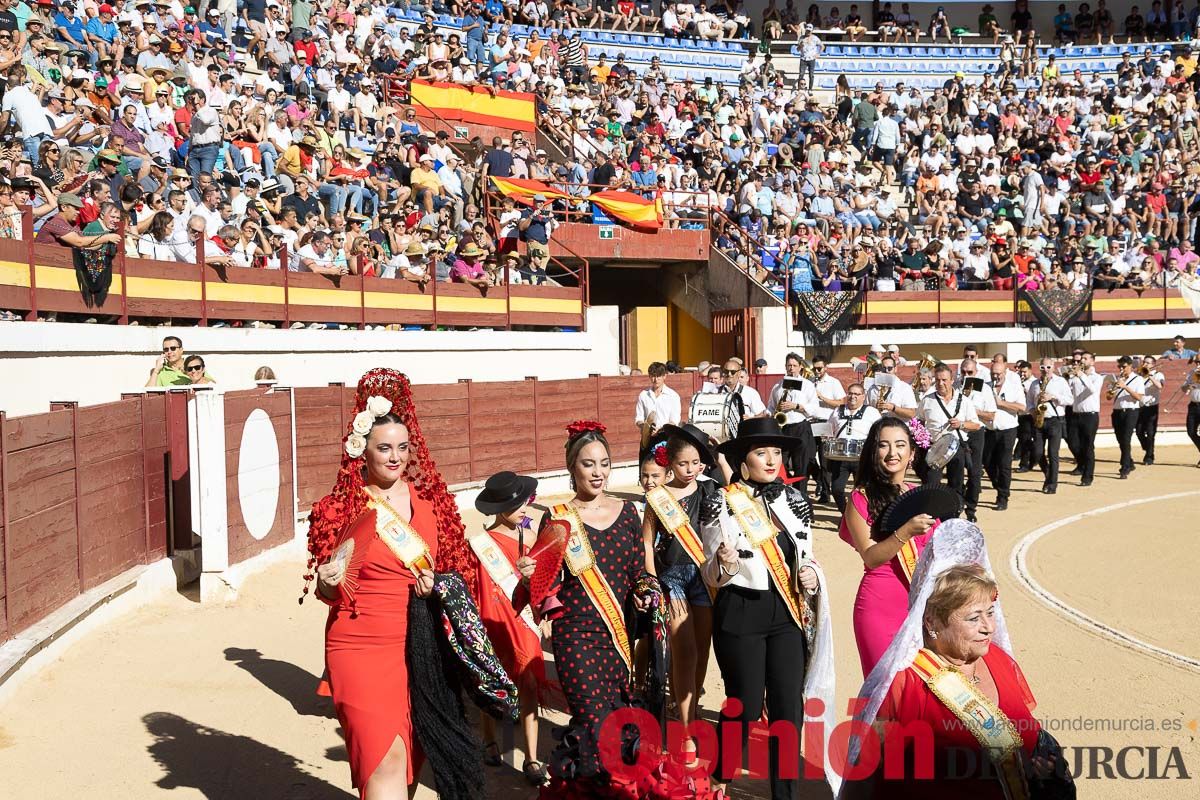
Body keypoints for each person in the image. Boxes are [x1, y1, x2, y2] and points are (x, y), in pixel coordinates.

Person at [305, 368, 507, 800]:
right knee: (385, 757)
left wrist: (439, 583)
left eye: (402, 447)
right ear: (362, 452)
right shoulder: (338, 509)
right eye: (384, 448)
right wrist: (325, 582)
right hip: (359, 646)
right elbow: (329, 590)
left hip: (420, 647)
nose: (395, 457)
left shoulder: (431, 508)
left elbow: (458, 575)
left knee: (410, 760)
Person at [524, 420, 701, 798]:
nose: (598, 472)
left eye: (604, 462)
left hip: (617, 636)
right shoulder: (557, 518)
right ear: (572, 467)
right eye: (588, 464)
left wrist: (645, 592)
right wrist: (530, 576)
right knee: (594, 722)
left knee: (620, 720)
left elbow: (639, 570)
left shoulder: (626, 513)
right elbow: (544, 585)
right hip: (576, 637)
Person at [842, 521, 1062, 799]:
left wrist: (1040, 765)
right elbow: (864, 776)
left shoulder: (999, 660)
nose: (988, 627)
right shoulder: (904, 684)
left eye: (990, 613)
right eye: (973, 618)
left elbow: (1027, 733)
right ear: (932, 622)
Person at [702, 417, 837, 799]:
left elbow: (806, 554)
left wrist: (809, 572)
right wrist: (724, 562)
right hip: (740, 609)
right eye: (761, 453)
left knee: (787, 710)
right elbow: (710, 572)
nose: (771, 460)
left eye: (776, 453)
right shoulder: (722, 501)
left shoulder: (795, 499)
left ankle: (785, 794)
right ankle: (722, 771)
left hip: (786, 614)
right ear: (743, 460)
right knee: (743, 707)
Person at [640, 424, 720, 760]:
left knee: (702, 649)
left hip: (703, 576)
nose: (691, 470)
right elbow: (647, 540)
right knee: (684, 649)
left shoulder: (709, 490)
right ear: (669, 463)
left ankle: (690, 706)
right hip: (671, 577)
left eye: (697, 463)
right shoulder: (658, 497)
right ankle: (686, 731)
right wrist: (651, 578)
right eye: (684, 464)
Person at [470, 471, 554, 787]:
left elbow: (545, 580)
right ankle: (490, 740)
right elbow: (474, 588)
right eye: (516, 503)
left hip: (523, 620)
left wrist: (544, 613)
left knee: (529, 684)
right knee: (492, 683)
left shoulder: (530, 536)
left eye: (524, 501)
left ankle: (532, 757)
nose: (524, 507)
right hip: (491, 620)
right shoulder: (478, 544)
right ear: (500, 506)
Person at [839, 417, 937, 677]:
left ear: (912, 453)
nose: (893, 453)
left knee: (920, 693)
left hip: (921, 606)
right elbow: (871, 558)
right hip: (880, 606)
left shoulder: (921, 496)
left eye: (900, 445)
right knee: (885, 695)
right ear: (874, 452)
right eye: (884, 445)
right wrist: (905, 532)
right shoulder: (861, 498)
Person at [917, 365, 981, 510]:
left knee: (956, 483)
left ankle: (955, 511)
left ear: (952, 380)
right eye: (938, 380)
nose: (941, 383)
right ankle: (932, 513)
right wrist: (922, 438)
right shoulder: (927, 400)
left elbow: (976, 425)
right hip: (934, 448)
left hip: (956, 447)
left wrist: (962, 424)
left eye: (944, 380)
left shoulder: (964, 401)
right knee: (931, 484)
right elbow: (917, 421)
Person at [767, 352, 819, 492]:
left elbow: (815, 408)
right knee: (779, 464)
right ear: (785, 366)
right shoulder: (778, 386)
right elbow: (771, 406)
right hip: (782, 429)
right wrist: (772, 413)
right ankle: (779, 493)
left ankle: (800, 496)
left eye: (794, 365)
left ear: (800, 367)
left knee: (800, 466)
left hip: (800, 427)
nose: (791, 368)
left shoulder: (807, 385)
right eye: (789, 365)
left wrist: (796, 406)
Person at [827, 383, 882, 514]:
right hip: (840, 457)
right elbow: (828, 430)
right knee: (836, 489)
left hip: (862, 458)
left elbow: (879, 432)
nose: (853, 397)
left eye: (857, 394)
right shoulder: (837, 411)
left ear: (863, 397)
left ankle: (862, 517)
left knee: (863, 491)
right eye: (850, 393)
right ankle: (846, 514)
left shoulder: (872, 412)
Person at [983, 356, 1024, 511]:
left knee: (1004, 464)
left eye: (999, 374)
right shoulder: (985, 387)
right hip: (990, 430)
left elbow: (1022, 407)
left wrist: (1002, 404)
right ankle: (998, 484)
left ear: (1005, 372)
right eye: (994, 373)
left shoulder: (1014, 386)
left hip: (1008, 429)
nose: (996, 376)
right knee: (987, 461)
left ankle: (1003, 497)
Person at [1027, 358, 1072, 494]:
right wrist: (1033, 412)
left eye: (1048, 367)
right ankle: (1048, 475)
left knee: (1053, 453)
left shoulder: (1060, 382)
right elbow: (1029, 402)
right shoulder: (1034, 383)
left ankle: (1052, 484)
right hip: (1039, 420)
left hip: (1055, 420)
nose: (1045, 370)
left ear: (1053, 367)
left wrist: (1053, 397)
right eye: (1042, 367)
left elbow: (1070, 400)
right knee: (1038, 452)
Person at [955, 359, 990, 522]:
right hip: (958, 431)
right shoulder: (955, 386)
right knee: (956, 470)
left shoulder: (985, 389)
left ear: (976, 373)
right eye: (963, 372)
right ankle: (956, 505)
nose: (966, 375)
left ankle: (971, 508)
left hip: (976, 431)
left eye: (970, 372)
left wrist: (973, 410)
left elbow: (991, 415)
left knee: (974, 472)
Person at [1066, 351, 1104, 486]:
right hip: (1076, 414)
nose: (1082, 361)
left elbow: (1092, 389)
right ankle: (1081, 465)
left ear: (1092, 362)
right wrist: (1069, 377)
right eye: (1081, 358)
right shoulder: (1075, 377)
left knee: (1088, 446)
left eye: (1085, 358)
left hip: (1090, 415)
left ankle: (1087, 476)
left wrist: (1080, 375)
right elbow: (1069, 393)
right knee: (1073, 442)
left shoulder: (1097, 377)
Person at [1109, 355, 1146, 479]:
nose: (1121, 369)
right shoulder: (1117, 378)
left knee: (1126, 439)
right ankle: (1129, 462)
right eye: (1119, 366)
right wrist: (1113, 390)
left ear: (1130, 366)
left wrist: (1125, 387)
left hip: (1131, 411)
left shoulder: (1138, 379)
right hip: (1117, 411)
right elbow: (1108, 397)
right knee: (1120, 439)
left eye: (1123, 367)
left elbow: (1139, 397)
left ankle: (1124, 467)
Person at [634, 361, 681, 444]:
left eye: (658, 376)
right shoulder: (643, 395)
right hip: (647, 438)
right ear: (649, 376)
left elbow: (674, 420)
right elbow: (639, 419)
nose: (655, 379)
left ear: (664, 376)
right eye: (652, 376)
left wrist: (660, 430)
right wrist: (645, 428)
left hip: (666, 437)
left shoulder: (673, 396)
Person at [866, 354, 917, 421]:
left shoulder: (904, 388)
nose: (886, 371)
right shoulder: (872, 388)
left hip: (898, 428)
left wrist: (893, 408)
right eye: (883, 368)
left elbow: (912, 413)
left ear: (895, 369)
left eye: (890, 368)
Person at [1136, 355, 1164, 465]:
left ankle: (1149, 456)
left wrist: (1150, 376)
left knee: (1151, 433)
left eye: (1148, 363)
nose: (1145, 364)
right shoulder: (1139, 375)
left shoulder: (1158, 374)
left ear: (1153, 364)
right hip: (1140, 406)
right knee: (1139, 432)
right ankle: (1148, 448)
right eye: (1144, 362)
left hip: (1151, 407)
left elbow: (1160, 386)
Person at [1183, 357, 1200, 466]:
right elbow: (1184, 389)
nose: (1198, 364)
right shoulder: (1191, 372)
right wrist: (1187, 386)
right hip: (1193, 405)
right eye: (1197, 362)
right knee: (1191, 431)